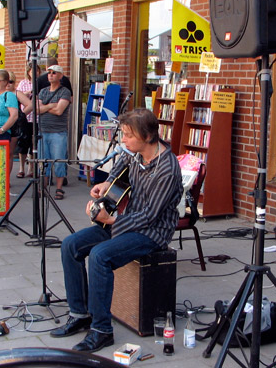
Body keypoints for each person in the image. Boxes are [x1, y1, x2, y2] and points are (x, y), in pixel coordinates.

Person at [50, 108, 183, 352]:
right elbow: (116, 171)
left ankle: (102, 331)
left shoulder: (167, 168)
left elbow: (149, 216)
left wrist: (110, 221)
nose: (124, 140)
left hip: (150, 232)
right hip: (124, 220)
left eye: (128, 135)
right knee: (71, 245)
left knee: (101, 256)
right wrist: (104, 184)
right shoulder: (133, 153)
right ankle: (80, 314)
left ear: (146, 136)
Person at [37, 65, 71, 200]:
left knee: (58, 161)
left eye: (54, 73)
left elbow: (59, 111)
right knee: (43, 161)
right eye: (49, 73)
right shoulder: (43, 91)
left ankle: (59, 188)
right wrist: (51, 105)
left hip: (58, 131)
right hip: (43, 130)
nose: (50, 75)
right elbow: (37, 109)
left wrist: (45, 107)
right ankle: (43, 188)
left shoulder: (65, 92)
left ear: (60, 76)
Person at [14, 62, 39, 179]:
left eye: (37, 70)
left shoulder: (41, 83)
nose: (35, 73)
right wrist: (28, 93)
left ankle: (31, 168)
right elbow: (17, 95)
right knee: (23, 143)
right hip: (26, 117)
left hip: (37, 117)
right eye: (33, 71)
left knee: (34, 144)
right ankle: (21, 168)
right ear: (28, 72)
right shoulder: (23, 83)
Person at [7, 70, 33, 177]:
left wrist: (21, 115)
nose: (9, 84)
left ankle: (7, 178)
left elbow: (30, 105)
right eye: (6, 81)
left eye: (11, 82)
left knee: (11, 152)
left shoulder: (16, 93)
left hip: (14, 125)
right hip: (0, 125)